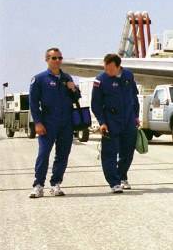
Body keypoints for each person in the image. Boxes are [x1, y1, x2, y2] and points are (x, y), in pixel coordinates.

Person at [28, 47, 80, 198]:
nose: (57, 61)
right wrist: (37, 122)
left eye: (59, 58)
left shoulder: (67, 78)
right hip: (47, 122)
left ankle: (55, 184)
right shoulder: (39, 79)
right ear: (47, 60)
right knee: (44, 154)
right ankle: (38, 185)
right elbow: (33, 103)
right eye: (54, 58)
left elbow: (76, 97)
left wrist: (73, 89)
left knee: (63, 155)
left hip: (66, 123)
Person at [91, 53, 140, 193]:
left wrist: (136, 116)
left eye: (110, 69)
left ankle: (122, 175)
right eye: (105, 68)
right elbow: (96, 104)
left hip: (129, 120)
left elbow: (134, 98)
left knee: (128, 152)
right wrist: (102, 122)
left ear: (118, 66)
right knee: (110, 153)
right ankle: (114, 182)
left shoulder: (128, 76)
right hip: (111, 121)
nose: (107, 71)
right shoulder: (100, 80)